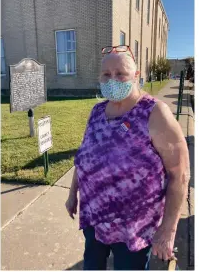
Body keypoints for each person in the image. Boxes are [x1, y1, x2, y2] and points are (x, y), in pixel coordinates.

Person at [66, 45, 190, 270]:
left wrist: (168, 231)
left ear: (136, 75)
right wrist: (72, 193)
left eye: (120, 73)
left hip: (133, 230)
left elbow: (179, 174)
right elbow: (83, 156)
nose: (112, 79)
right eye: (106, 74)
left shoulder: (155, 114)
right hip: (94, 218)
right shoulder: (97, 112)